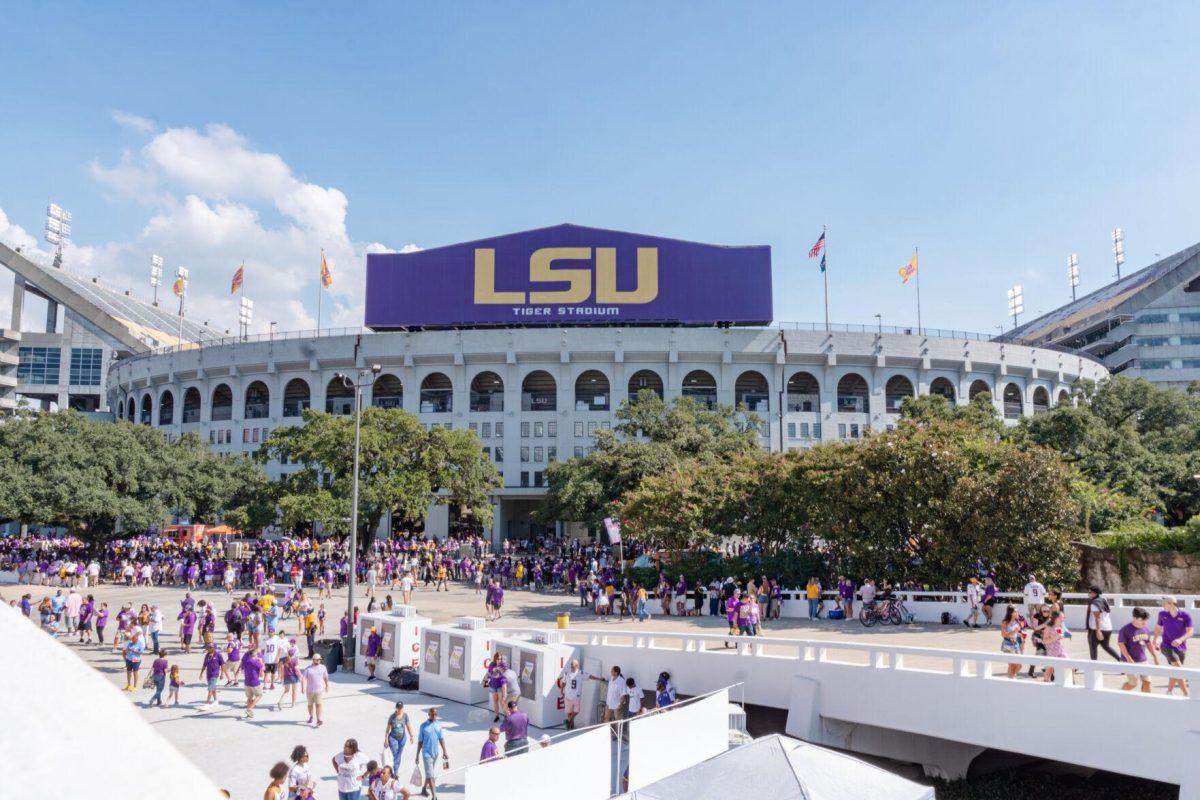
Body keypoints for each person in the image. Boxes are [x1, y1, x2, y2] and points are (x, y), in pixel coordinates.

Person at [1155, 596, 1193, 696]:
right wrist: (1154, 640)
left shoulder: (1185, 615)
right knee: (1179, 669)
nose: (1162, 606)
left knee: (1175, 670)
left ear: (1171, 603)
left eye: (1164, 604)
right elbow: (1158, 627)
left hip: (1181, 647)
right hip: (1166, 646)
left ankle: (1169, 691)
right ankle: (1187, 695)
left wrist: (1180, 640)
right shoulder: (1162, 614)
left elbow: (1190, 632)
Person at [1118, 607, 1159, 693]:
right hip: (1128, 660)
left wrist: (1155, 656)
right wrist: (1128, 658)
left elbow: (1148, 643)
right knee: (1133, 683)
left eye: (1145, 620)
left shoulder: (1145, 629)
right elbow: (1121, 644)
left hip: (1143, 660)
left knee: (1147, 682)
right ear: (1135, 618)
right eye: (1141, 620)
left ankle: (1146, 702)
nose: (1144, 622)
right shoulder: (1125, 630)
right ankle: (1119, 694)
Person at [415, 707, 449, 800]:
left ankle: (423, 789)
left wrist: (445, 751)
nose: (434, 716)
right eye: (433, 714)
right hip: (426, 754)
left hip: (435, 753)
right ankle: (435, 796)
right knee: (431, 775)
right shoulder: (423, 726)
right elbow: (420, 741)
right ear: (429, 714)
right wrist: (417, 754)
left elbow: (441, 739)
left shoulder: (438, 725)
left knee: (429, 774)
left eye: (436, 714)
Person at [1085, 586, 1120, 661]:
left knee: (1093, 647)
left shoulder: (1094, 603)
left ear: (1095, 593)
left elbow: (1097, 618)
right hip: (1108, 628)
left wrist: (1098, 631)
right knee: (1106, 646)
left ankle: (1094, 666)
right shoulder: (1104, 600)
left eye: (1090, 592)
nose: (1088, 594)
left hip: (1096, 629)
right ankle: (1121, 660)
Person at [383, 701, 414, 775]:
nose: (399, 709)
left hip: (402, 738)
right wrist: (386, 740)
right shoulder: (392, 717)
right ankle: (394, 770)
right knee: (395, 752)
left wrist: (411, 736)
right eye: (398, 708)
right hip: (393, 738)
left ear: (402, 708)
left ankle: (396, 769)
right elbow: (387, 730)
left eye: (401, 708)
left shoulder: (405, 716)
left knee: (399, 754)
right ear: (396, 708)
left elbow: (408, 726)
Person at [1038, 609, 1067, 684]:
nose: (1063, 619)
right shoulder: (1049, 627)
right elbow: (1044, 641)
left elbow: (1060, 637)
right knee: (1049, 670)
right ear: (1056, 618)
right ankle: (1045, 685)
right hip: (1051, 651)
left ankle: (1068, 684)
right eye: (1062, 617)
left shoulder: (1060, 626)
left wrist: (1061, 637)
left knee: (1068, 665)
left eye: (1063, 617)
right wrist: (1055, 637)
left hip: (1060, 650)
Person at [558, 658, 586, 730]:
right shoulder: (567, 673)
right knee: (569, 712)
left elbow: (590, 676)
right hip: (568, 695)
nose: (571, 665)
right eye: (571, 664)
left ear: (576, 665)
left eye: (572, 664)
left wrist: (599, 678)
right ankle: (570, 725)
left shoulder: (580, 673)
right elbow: (563, 682)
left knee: (576, 711)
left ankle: (569, 720)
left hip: (576, 696)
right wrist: (561, 690)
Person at [303, 653, 330, 726]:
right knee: (310, 705)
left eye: (319, 660)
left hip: (319, 690)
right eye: (317, 660)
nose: (318, 661)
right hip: (309, 691)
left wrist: (327, 685)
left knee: (318, 704)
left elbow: (325, 677)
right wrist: (303, 688)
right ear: (313, 660)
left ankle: (319, 719)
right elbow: (304, 679)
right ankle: (311, 716)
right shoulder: (308, 669)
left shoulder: (323, 667)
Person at [999, 606, 1024, 678]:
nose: (1017, 613)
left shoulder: (1018, 622)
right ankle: (1011, 679)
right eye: (1015, 611)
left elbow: (1017, 633)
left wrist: (1020, 635)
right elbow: (1003, 635)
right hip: (1007, 644)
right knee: (1011, 664)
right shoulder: (1005, 622)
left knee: (1019, 664)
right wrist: (1014, 631)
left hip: (1016, 644)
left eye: (1017, 611)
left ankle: (1011, 676)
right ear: (1010, 613)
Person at [241, 646, 265, 719]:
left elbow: (242, 670)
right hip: (254, 682)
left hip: (247, 682)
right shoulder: (256, 662)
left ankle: (249, 714)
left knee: (249, 697)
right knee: (259, 695)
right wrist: (261, 662)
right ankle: (249, 709)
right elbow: (262, 673)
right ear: (255, 655)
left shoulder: (246, 661)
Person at [199, 642, 225, 706]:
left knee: (210, 689)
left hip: (215, 674)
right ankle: (216, 700)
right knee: (213, 688)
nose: (208, 648)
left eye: (210, 647)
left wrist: (222, 673)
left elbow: (222, 665)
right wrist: (201, 673)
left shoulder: (218, 655)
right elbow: (204, 665)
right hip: (208, 674)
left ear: (214, 648)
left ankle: (207, 703)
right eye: (208, 647)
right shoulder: (207, 655)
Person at [485, 652, 508, 722]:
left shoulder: (503, 664)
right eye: (498, 659)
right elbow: (489, 673)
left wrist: (498, 670)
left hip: (500, 685)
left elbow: (505, 672)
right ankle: (497, 716)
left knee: (502, 701)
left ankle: (506, 716)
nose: (499, 660)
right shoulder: (492, 664)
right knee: (495, 701)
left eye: (500, 659)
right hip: (493, 685)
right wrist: (487, 680)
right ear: (495, 658)